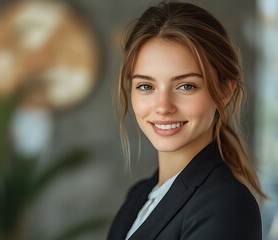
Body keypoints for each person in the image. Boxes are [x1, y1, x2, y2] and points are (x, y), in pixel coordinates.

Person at [107, 2, 266, 240]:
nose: (163, 106)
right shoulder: (138, 196)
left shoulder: (225, 206)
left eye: (186, 86)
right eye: (146, 86)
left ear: (225, 92)